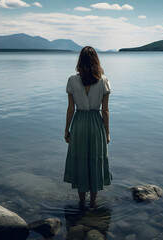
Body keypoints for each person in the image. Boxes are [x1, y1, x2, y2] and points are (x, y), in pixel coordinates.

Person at [63, 46, 112, 207]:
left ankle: (81, 201)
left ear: (80, 61)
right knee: (95, 161)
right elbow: (105, 111)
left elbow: (71, 109)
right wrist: (107, 133)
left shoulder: (72, 80)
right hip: (96, 124)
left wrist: (66, 129)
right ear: (96, 61)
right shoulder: (104, 81)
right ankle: (93, 203)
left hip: (79, 124)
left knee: (81, 161)